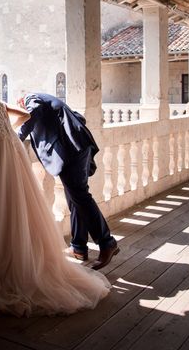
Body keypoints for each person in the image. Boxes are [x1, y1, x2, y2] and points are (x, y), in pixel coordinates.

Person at [0, 70, 110, 317]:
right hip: (12, 149)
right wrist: (6, 130)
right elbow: (24, 115)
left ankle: (9, 261)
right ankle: (40, 253)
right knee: (19, 199)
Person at [17, 93, 118, 270]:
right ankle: (79, 247)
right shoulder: (46, 100)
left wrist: (16, 137)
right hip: (75, 148)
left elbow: (32, 113)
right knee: (75, 200)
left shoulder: (31, 99)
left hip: (71, 151)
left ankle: (107, 242)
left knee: (80, 197)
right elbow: (77, 117)